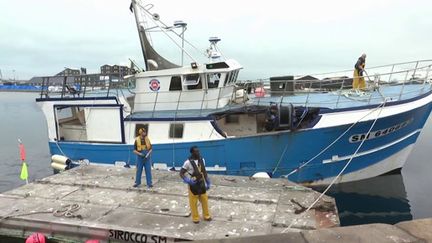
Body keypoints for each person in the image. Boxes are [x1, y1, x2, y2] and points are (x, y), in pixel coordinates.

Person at [180, 146, 212, 224]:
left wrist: (207, 181)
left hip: (201, 181)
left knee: (204, 199)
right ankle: (195, 218)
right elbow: (181, 173)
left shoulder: (202, 160)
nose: (198, 153)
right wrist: (187, 180)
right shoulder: (187, 162)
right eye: (196, 151)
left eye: (198, 151)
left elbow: (204, 171)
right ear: (192, 153)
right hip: (193, 182)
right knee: (193, 201)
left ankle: (206, 216)